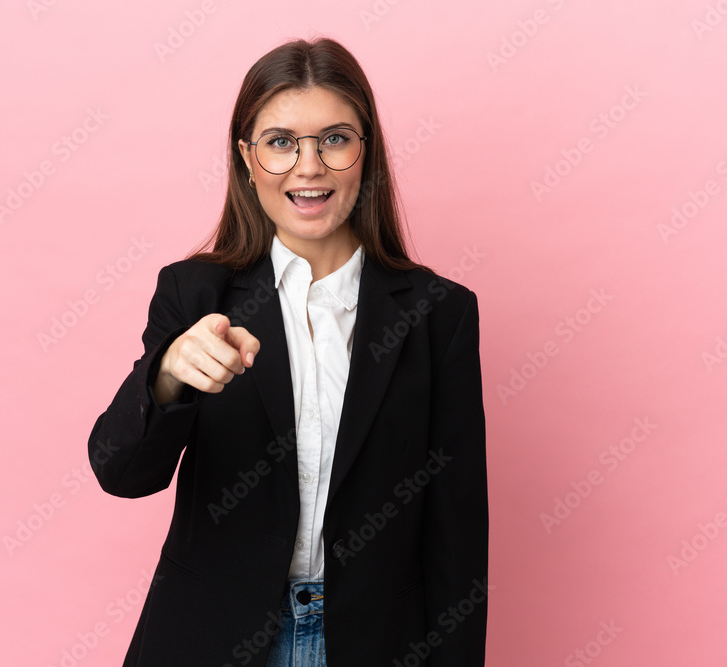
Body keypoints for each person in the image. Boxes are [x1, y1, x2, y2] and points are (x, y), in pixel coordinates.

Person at [87, 36, 488, 667]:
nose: (308, 167)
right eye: (280, 142)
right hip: (215, 638)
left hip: (378, 642)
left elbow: (457, 534)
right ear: (247, 158)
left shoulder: (439, 314)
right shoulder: (195, 293)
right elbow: (122, 472)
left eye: (334, 138)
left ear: (366, 152)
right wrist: (167, 378)